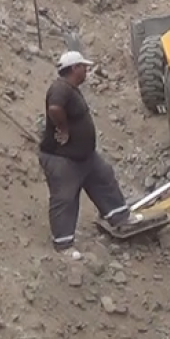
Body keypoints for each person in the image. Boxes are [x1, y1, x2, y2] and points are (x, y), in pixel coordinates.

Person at [39, 52, 130, 253]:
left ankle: (120, 217)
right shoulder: (60, 88)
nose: (86, 70)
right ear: (74, 68)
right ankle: (63, 244)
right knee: (65, 198)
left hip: (85, 157)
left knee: (104, 177)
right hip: (63, 159)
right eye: (83, 67)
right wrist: (63, 128)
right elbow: (54, 108)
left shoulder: (71, 89)